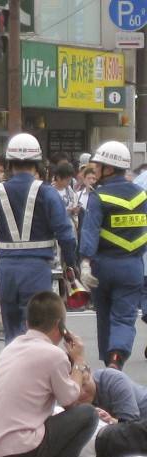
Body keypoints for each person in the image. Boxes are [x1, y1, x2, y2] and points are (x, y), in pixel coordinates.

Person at [0, 291, 98, 457]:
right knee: (88, 415)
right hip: (17, 454)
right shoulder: (54, 355)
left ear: (27, 323)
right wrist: (78, 362)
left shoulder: (10, 349)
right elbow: (71, 401)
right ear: (60, 326)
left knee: (37, 424)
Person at [0, 133, 76, 344]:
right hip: (36, 269)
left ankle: (14, 371)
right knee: (38, 329)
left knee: (11, 329)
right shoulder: (47, 192)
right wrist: (72, 263)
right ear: (37, 164)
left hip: (6, 268)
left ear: (8, 163)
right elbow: (65, 232)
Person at [79, 141, 147, 370]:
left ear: (109, 169)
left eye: (98, 166)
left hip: (103, 266)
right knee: (124, 318)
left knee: (105, 317)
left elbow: (90, 231)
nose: (95, 170)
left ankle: (108, 360)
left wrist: (85, 263)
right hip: (132, 267)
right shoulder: (142, 196)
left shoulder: (99, 197)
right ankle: (116, 360)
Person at [78, 367, 147, 422]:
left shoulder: (113, 380)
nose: (82, 393)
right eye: (75, 388)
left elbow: (130, 427)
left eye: (84, 384)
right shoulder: (68, 397)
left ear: (89, 372)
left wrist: (112, 421)